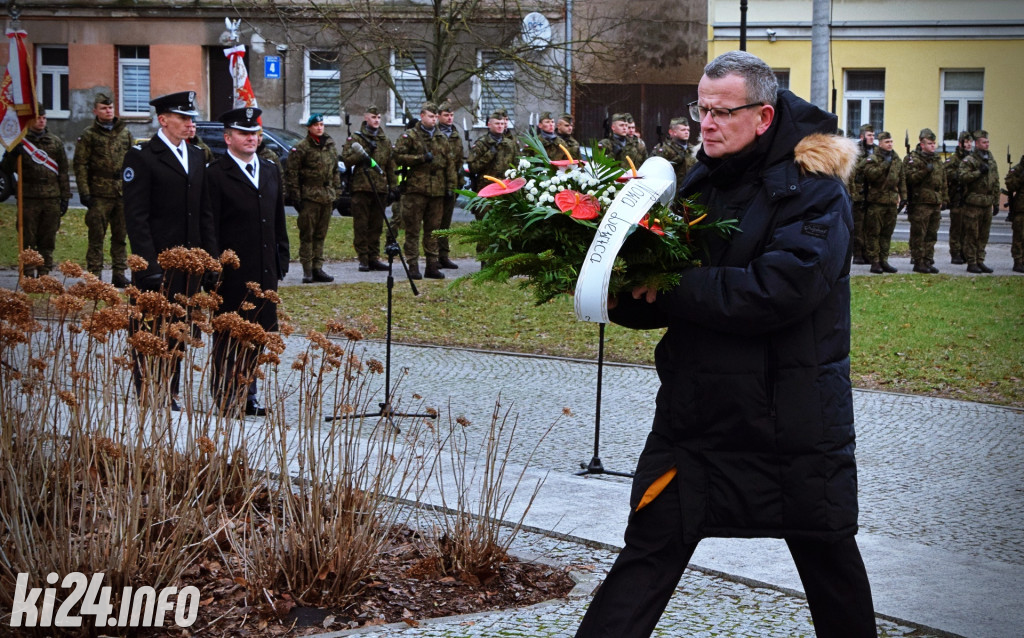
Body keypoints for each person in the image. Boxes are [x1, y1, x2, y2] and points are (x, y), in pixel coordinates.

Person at [575, 50, 876, 638]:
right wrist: (618, 295)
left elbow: (778, 291)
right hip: (697, 420)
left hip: (790, 420)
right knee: (648, 553)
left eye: (721, 113)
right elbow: (675, 286)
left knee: (828, 561)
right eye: (700, 109)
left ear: (763, 117)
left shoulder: (814, 189)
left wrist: (667, 288)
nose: (704, 124)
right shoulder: (703, 177)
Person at [122, 91, 217, 409]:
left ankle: (170, 390)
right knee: (149, 329)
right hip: (156, 265)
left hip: (188, 265)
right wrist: (149, 267)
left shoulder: (196, 156)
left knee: (178, 329)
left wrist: (209, 260)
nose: (190, 123)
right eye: (183, 117)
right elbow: (137, 218)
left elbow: (204, 214)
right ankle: (147, 389)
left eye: (191, 117)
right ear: (163, 120)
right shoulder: (143, 157)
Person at [206, 107, 289, 416]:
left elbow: (277, 218)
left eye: (255, 133)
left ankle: (248, 392)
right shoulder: (215, 173)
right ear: (228, 138)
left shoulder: (269, 169)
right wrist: (214, 267)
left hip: (265, 268)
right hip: (232, 271)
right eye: (244, 133)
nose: (251, 138)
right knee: (229, 334)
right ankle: (227, 396)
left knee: (258, 333)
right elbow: (210, 224)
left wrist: (282, 255)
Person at [1, 105, 71, 278]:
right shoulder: (20, 142)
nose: (41, 121)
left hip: (51, 197)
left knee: (47, 239)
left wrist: (65, 197)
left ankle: (44, 273)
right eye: (38, 117)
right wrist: (11, 154)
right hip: (29, 197)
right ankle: (28, 272)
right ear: (30, 119)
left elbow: (63, 171)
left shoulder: (54, 141)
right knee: (28, 238)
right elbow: (5, 170)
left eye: (44, 118)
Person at [73, 92, 133, 286]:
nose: (108, 111)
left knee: (120, 237)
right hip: (99, 193)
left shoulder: (124, 133)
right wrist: (84, 192)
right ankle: (94, 274)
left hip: (121, 193)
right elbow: (80, 164)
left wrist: (133, 190)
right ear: (95, 111)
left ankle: (119, 273)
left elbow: (133, 163)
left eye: (110, 108)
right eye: (103, 108)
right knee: (96, 237)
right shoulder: (89, 135)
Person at [393, 102, 452, 279]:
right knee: (412, 229)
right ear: (422, 116)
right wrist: (420, 159)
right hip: (416, 190)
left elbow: (449, 164)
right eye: (430, 116)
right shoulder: (410, 136)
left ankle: (432, 265)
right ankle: (412, 265)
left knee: (433, 230)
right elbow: (397, 156)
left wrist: (450, 187)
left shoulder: (441, 137)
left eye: (435, 117)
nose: (433, 120)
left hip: (437, 190)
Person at [284, 113, 341, 283]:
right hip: (309, 196)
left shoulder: (329, 145)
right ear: (309, 127)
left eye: (322, 124)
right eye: (316, 125)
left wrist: (337, 192)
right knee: (307, 235)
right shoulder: (301, 148)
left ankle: (318, 267)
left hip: (326, 196)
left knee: (320, 235)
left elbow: (335, 171)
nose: (319, 127)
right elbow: (292, 173)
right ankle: (307, 270)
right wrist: (296, 197)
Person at [341, 105, 395, 272]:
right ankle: (363, 258)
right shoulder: (356, 139)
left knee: (376, 225)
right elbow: (346, 159)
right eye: (373, 117)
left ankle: (374, 257)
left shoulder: (385, 141)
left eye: (378, 117)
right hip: (362, 187)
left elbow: (390, 165)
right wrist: (362, 153)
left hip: (380, 189)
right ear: (366, 118)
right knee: (362, 225)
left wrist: (393, 186)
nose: (376, 120)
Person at [903, 128, 947, 273]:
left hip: (934, 202)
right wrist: (924, 171)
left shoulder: (937, 160)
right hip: (920, 203)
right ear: (922, 144)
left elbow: (943, 180)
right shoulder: (913, 159)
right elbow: (910, 179)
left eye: (934, 143)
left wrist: (944, 198)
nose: (933, 146)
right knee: (919, 234)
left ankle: (928, 260)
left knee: (931, 234)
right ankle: (918, 261)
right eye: (929, 143)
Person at [862, 130, 906, 273]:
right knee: (874, 233)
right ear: (880, 144)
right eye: (887, 142)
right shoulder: (873, 158)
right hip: (876, 202)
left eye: (891, 141)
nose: (890, 144)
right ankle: (874, 262)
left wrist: (904, 197)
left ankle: (884, 260)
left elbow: (902, 179)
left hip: (891, 202)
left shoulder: (896, 158)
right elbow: (870, 175)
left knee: (887, 233)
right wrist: (884, 166)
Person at [957, 129, 1000, 273]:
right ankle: (971, 261)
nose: (987, 144)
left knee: (983, 234)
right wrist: (978, 172)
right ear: (976, 143)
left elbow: (995, 181)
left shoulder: (991, 159)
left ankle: (980, 260)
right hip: (973, 202)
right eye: (984, 142)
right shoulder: (970, 160)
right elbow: (962, 177)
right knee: (972, 234)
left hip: (987, 202)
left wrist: (996, 201)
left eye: (988, 142)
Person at [468, 109, 518, 199]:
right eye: (497, 123)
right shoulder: (481, 144)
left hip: (505, 190)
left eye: (502, 124)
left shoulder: (510, 144)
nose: (500, 126)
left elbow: (516, 167)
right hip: (486, 189)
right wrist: (489, 154)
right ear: (489, 124)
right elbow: (473, 168)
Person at [847, 123, 875, 264]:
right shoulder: (856, 150)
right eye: (869, 135)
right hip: (858, 192)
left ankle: (867, 252)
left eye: (873, 135)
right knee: (858, 225)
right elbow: (853, 171)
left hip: (872, 193)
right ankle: (857, 253)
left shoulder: (875, 151)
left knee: (869, 226)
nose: (872, 138)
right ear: (862, 136)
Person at [944, 131, 973, 264]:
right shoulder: (954, 158)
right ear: (960, 143)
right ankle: (955, 253)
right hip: (957, 197)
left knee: (968, 228)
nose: (968, 145)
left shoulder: (973, 158)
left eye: (970, 142)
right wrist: (960, 174)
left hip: (970, 198)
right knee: (957, 227)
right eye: (966, 142)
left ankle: (965, 252)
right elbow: (946, 173)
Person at [651, 117, 697, 187]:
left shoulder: (693, 149)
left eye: (688, 130)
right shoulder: (663, 149)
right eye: (683, 130)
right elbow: (655, 172)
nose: (686, 132)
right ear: (672, 132)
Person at [1004, 154, 1024, 273]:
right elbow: (1010, 185)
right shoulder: (1017, 169)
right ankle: (1018, 261)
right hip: (1021, 208)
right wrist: (1021, 176)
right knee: (1019, 236)